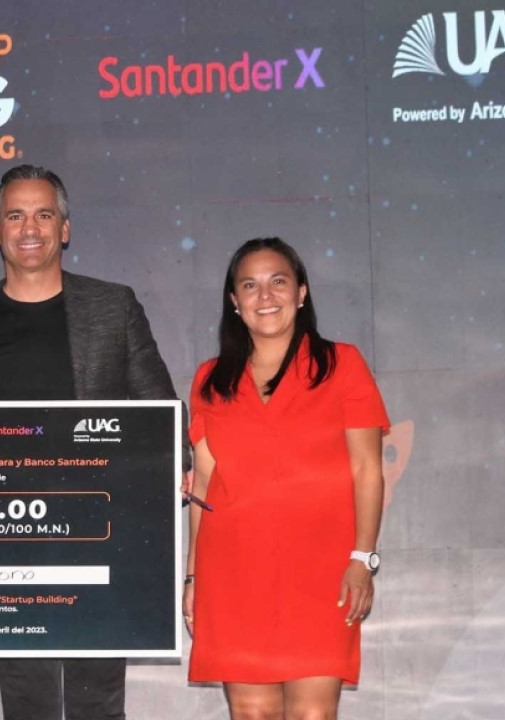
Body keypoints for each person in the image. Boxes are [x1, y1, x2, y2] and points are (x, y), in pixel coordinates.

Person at [0, 164, 180, 720]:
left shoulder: (113, 307)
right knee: (27, 704)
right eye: (15, 216)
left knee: (98, 703)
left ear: (65, 228)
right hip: (6, 539)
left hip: (97, 532)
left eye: (44, 215)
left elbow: (159, 409)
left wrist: (177, 465)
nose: (30, 228)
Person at [182, 237, 389, 720]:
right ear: (234, 301)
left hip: (322, 570)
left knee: (312, 714)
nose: (265, 295)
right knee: (251, 714)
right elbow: (204, 485)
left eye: (278, 281)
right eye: (249, 285)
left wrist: (362, 558)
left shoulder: (342, 364)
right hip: (233, 570)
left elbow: (367, 470)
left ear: (301, 293)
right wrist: (193, 576)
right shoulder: (210, 379)